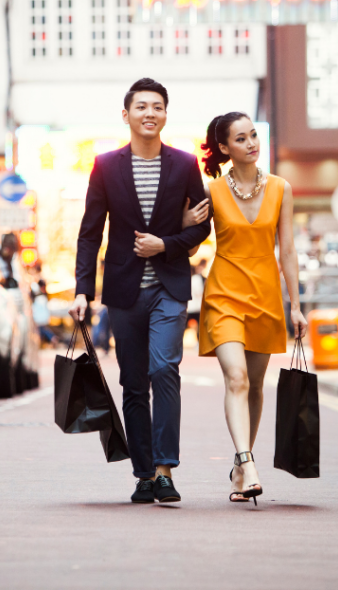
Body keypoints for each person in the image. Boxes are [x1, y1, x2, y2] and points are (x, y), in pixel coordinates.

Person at [69, 78, 211, 504]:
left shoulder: (185, 164)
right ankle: (144, 474)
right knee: (132, 383)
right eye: (142, 106)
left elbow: (203, 224)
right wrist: (82, 290)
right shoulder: (106, 166)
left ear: (166, 114)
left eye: (158, 107)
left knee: (164, 369)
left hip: (169, 287)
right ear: (127, 114)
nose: (150, 113)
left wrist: (166, 244)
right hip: (123, 292)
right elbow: (90, 233)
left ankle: (166, 470)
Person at [194, 111, 307, 505]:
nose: (251, 143)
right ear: (224, 148)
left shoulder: (280, 188)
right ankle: (247, 460)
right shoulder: (211, 191)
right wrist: (186, 224)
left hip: (265, 296)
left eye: (254, 135)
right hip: (223, 294)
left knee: (256, 385)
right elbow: (190, 247)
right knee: (237, 378)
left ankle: (241, 469)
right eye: (240, 139)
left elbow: (288, 249)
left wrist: (296, 305)